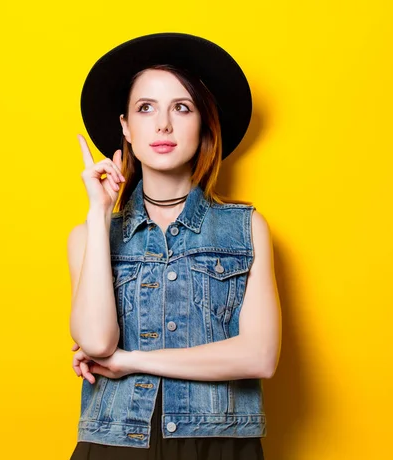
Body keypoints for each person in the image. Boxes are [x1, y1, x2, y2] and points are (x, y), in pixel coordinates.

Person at [66, 32, 281, 460]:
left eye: (181, 108)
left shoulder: (245, 228)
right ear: (125, 126)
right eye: (146, 108)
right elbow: (95, 341)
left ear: (202, 122)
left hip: (219, 444)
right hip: (115, 445)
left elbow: (260, 356)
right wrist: (97, 211)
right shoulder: (89, 235)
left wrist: (133, 361)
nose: (163, 125)